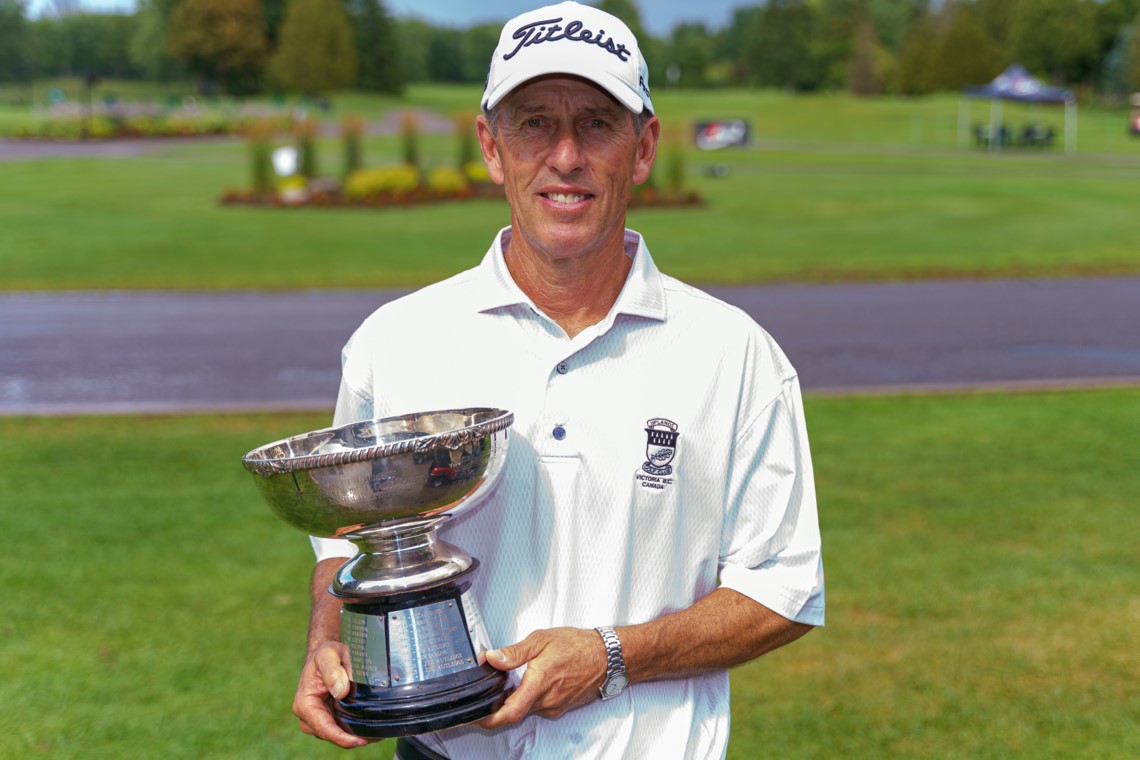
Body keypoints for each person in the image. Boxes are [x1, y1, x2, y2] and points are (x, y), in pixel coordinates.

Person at [293, 3, 824, 758]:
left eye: (598, 124)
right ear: (491, 146)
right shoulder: (396, 341)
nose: (566, 156)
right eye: (535, 122)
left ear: (642, 148)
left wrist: (613, 655)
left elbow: (785, 592)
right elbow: (348, 541)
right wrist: (327, 638)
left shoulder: (735, 354)